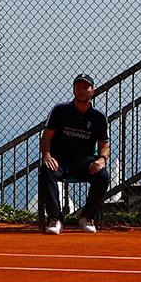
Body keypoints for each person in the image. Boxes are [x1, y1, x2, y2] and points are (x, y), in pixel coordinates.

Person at [39, 75, 110, 234]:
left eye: (86, 87)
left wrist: (101, 159)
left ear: (93, 91)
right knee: (45, 172)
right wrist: (47, 156)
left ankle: (87, 217)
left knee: (103, 176)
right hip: (60, 162)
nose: (82, 90)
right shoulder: (59, 110)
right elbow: (46, 138)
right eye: (78, 87)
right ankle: (55, 218)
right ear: (73, 90)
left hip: (84, 163)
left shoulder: (99, 118)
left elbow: (104, 145)